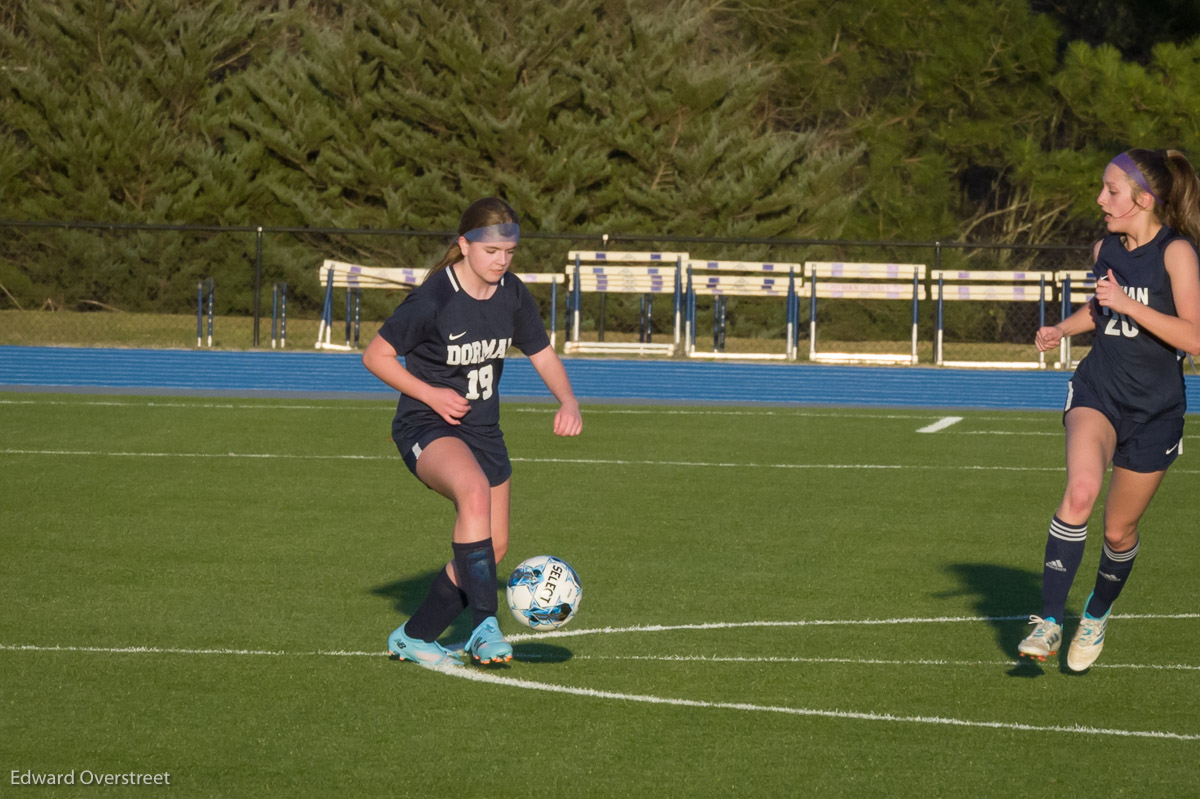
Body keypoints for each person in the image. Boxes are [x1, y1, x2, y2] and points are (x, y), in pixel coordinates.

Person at [363, 197, 583, 668]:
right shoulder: (433, 299)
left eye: (510, 252)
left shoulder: (512, 293)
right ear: (464, 246)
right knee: (473, 490)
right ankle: (485, 625)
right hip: (427, 424)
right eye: (491, 252)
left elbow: (542, 353)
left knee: (492, 546)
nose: (501, 261)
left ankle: (414, 636)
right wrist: (431, 394)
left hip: (484, 431)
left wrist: (567, 400)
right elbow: (375, 356)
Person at [1020, 148, 1200, 671]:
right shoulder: (1105, 247)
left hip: (1155, 412)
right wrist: (1062, 329)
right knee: (1080, 492)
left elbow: (1194, 336)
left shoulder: (1178, 254)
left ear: (1144, 200)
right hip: (1098, 391)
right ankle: (1051, 621)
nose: (1101, 199)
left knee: (1118, 532)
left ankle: (1096, 613)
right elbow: (1101, 311)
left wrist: (1128, 305)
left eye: (1111, 191)